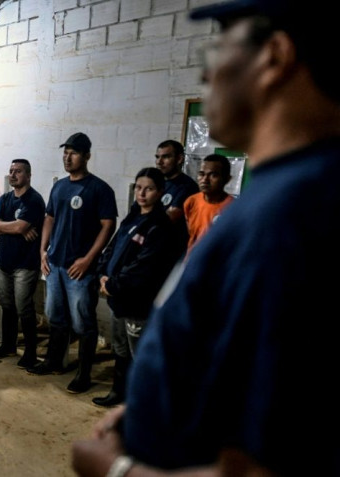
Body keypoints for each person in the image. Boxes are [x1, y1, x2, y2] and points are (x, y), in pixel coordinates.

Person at [71, 1, 340, 475]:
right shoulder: (280, 193)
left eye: (214, 52)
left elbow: (271, 459)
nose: (206, 76)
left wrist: (119, 472)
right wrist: (151, 410)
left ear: (274, 57)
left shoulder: (295, 214)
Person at [29, 132, 117, 395]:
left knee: (83, 323)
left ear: (87, 156)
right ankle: (53, 361)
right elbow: (49, 218)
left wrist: (89, 259)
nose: (68, 157)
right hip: (55, 265)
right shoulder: (59, 187)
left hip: (80, 270)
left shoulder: (99, 189)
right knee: (55, 317)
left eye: (74, 153)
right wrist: (43, 250)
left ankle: (84, 374)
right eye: (65, 152)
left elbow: (108, 225)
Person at [92, 167, 180, 407]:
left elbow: (145, 267)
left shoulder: (159, 226)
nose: (142, 193)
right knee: (120, 349)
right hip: (118, 298)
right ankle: (119, 392)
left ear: (160, 192)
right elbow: (111, 249)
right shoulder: (132, 217)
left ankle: (144, 405)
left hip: (138, 303)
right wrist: (102, 273)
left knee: (140, 354)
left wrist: (114, 283)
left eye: (149, 189)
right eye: (139, 188)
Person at [0, 159, 46, 368]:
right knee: (7, 304)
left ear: (28, 175)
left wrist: (3, 225)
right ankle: (8, 346)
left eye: (18, 171)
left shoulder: (34, 200)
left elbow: (16, 226)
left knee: (24, 307)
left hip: (25, 264)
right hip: (4, 261)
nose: (13, 175)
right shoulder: (5, 198)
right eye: (11, 171)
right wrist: (12, 227)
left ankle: (30, 352)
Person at [154, 139, 199, 256]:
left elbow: (169, 219)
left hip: (171, 251)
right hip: (152, 248)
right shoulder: (156, 183)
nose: (159, 162)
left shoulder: (187, 186)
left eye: (165, 157)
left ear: (179, 159)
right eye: (157, 157)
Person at [183, 154, 233, 253]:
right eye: (201, 174)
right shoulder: (191, 201)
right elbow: (192, 234)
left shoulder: (233, 208)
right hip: (192, 261)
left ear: (227, 179)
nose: (205, 180)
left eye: (213, 175)